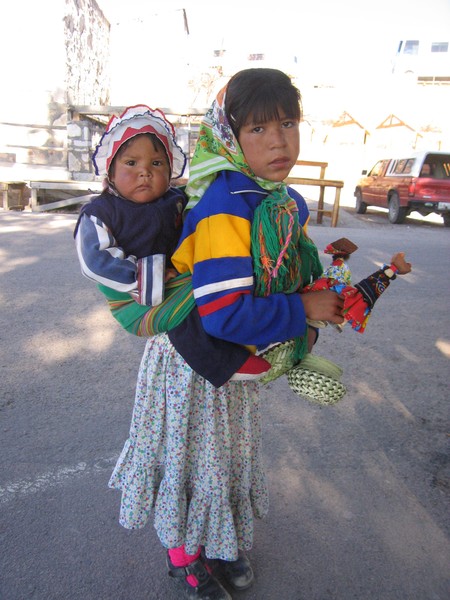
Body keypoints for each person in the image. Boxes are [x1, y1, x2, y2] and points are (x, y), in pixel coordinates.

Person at [108, 69, 346, 600]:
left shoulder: (274, 198)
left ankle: (219, 541)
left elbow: (279, 270)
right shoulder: (224, 207)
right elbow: (223, 314)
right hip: (196, 364)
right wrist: (302, 308)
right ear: (228, 137)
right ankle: (183, 558)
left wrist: (320, 293)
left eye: (288, 122)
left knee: (226, 459)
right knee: (188, 460)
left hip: (233, 368)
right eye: (258, 129)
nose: (279, 140)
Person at [73, 105, 270, 387]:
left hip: (176, 277)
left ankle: (259, 335)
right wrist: (145, 275)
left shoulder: (175, 200)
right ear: (111, 172)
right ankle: (223, 364)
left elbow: (203, 212)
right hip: (136, 299)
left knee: (224, 285)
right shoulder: (101, 212)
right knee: (185, 317)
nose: (145, 172)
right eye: (131, 163)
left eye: (156, 163)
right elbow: (95, 261)